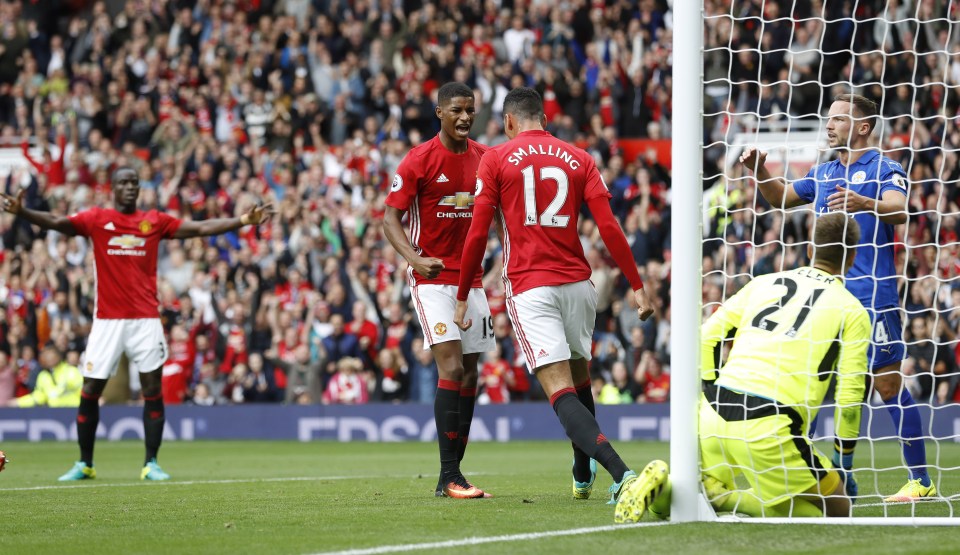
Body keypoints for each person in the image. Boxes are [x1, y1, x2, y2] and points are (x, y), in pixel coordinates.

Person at [453, 87, 661, 522]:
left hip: (531, 286)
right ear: (543, 120)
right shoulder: (580, 157)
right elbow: (608, 226)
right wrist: (637, 284)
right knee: (580, 377)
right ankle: (582, 467)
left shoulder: (494, 159)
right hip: (579, 286)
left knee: (560, 390)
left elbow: (476, 234)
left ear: (509, 122)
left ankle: (622, 474)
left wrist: (460, 295)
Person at [0, 166, 272, 481]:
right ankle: (84, 463)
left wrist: (241, 221)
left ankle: (151, 463)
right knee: (90, 388)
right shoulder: (98, 219)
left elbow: (198, 228)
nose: (130, 187)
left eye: (134, 183)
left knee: (152, 389)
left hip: (145, 320)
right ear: (113, 188)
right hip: (107, 321)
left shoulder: (153, 221)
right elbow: (60, 223)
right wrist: (24, 213)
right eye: (123, 183)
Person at [739, 93, 935, 502]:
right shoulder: (824, 171)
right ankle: (828, 474)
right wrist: (760, 171)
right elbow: (781, 198)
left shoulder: (885, 167)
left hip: (872, 294)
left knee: (885, 384)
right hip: (825, 294)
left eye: (839, 120)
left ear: (862, 127)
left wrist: (864, 202)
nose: (829, 126)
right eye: (827, 119)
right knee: (813, 382)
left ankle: (920, 480)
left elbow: (900, 210)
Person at [645, 213, 869, 522]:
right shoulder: (852, 309)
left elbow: (707, 336)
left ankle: (667, 495)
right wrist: (843, 462)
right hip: (771, 425)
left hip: (713, 415)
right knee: (839, 511)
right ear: (852, 257)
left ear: (809, 249)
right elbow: (850, 397)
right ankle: (722, 498)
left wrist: (711, 389)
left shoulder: (764, 283)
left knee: (704, 493)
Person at [383, 82, 496, 499]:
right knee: (449, 367)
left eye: (470, 110)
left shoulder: (486, 158)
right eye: (456, 111)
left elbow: (497, 216)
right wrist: (413, 258)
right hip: (430, 277)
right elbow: (389, 218)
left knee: (469, 373)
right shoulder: (418, 160)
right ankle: (450, 476)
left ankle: (452, 474)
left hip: (472, 281)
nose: (465, 117)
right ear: (439, 113)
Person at [8, 345, 82, 408]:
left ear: (58, 355)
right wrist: (18, 402)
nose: (48, 357)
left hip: (74, 411)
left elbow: (83, 392)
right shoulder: (43, 376)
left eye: (51, 354)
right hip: (55, 414)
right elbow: (39, 397)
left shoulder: (71, 371)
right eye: (45, 355)